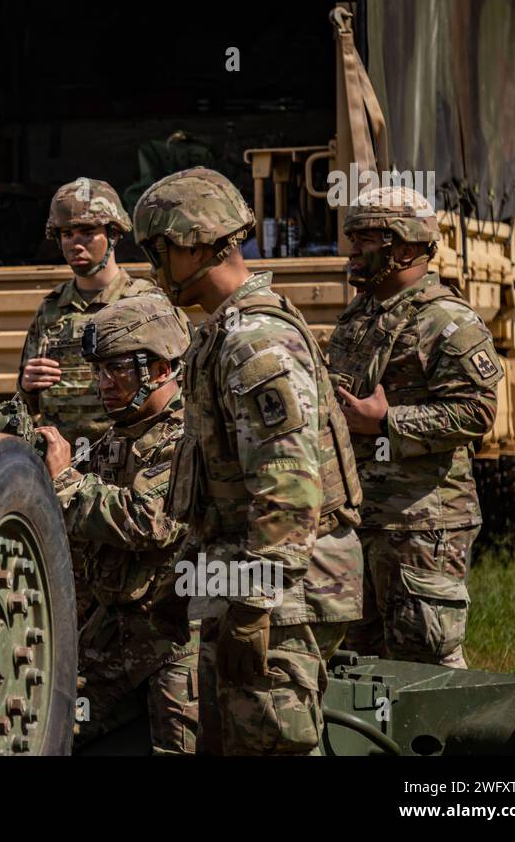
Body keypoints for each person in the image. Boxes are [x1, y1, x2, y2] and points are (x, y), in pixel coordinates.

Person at [134, 167, 362, 755]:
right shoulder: (226, 330)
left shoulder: (253, 341)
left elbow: (288, 490)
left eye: (158, 250)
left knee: (274, 746)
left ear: (196, 245)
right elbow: (219, 482)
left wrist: (253, 604)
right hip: (250, 574)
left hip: (282, 583)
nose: (154, 268)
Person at [328, 185, 501, 668]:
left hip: (424, 520)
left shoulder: (446, 319)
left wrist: (387, 423)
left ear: (404, 247)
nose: (353, 248)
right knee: (362, 660)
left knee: (425, 658)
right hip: (364, 518)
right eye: (352, 236)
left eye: (366, 237)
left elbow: (477, 411)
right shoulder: (360, 315)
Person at [39, 293, 198, 753]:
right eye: (99, 371)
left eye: (119, 370)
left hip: (179, 633)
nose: (104, 384)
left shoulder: (188, 435)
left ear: (162, 370)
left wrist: (66, 481)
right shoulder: (119, 436)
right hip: (116, 630)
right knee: (44, 724)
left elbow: (150, 523)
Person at [18, 178, 162, 616]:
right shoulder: (51, 309)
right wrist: (25, 386)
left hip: (127, 482)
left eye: (87, 233)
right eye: (66, 234)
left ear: (113, 235)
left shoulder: (146, 302)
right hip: (61, 479)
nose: (75, 243)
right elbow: (24, 407)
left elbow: (173, 390)